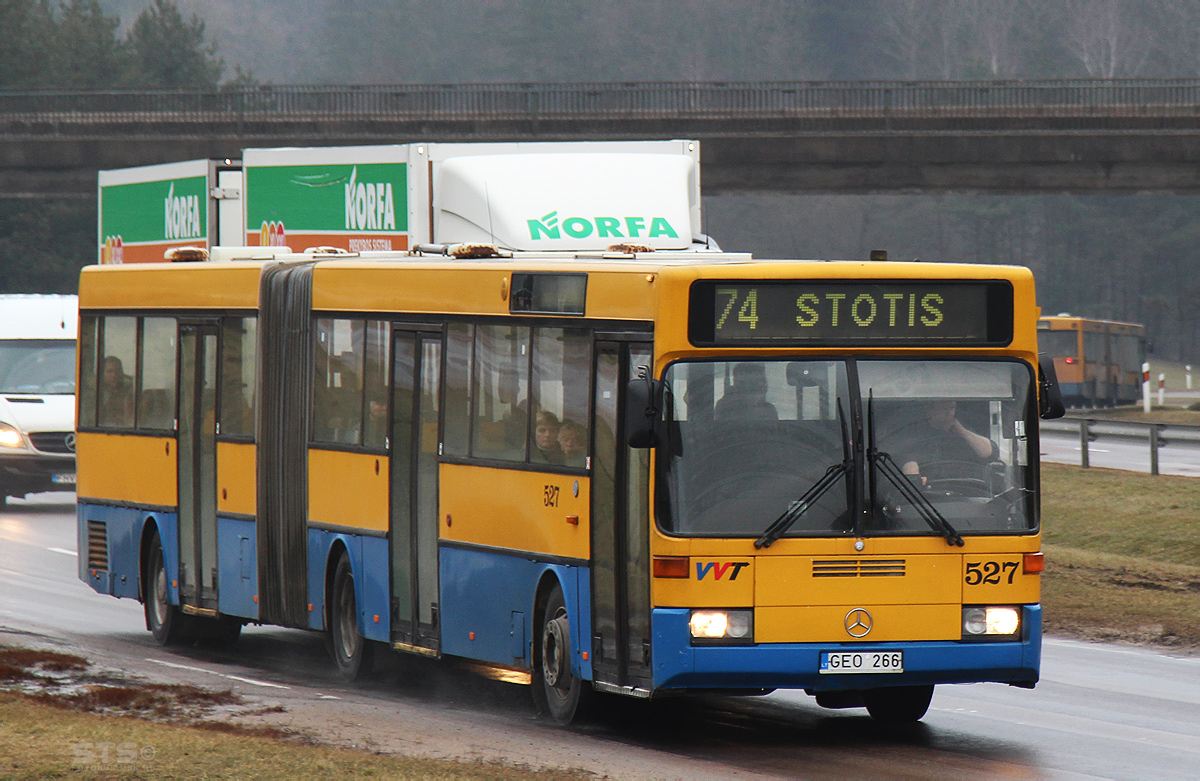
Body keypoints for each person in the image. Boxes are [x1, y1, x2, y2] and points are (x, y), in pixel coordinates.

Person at [899, 400, 999, 484]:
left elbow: (991, 453)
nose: (949, 413)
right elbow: (909, 462)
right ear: (929, 410)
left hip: (966, 492)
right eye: (943, 409)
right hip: (929, 495)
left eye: (951, 408)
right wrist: (914, 479)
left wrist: (962, 432)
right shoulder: (915, 434)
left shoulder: (963, 433)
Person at [98, 355, 134, 427]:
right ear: (102, 373)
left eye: (118, 371)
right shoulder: (95, 392)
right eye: (109, 371)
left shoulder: (129, 389)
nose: (114, 375)